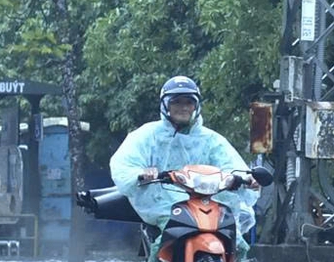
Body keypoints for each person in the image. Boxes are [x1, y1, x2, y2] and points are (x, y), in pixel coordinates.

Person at [108, 75, 261, 234]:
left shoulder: (212, 140)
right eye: (177, 102)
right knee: (163, 241)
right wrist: (141, 174)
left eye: (189, 102)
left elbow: (231, 165)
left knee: (238, 244)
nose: (183, 107)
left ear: (196, 106)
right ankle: (157, 259)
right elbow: (124, 164)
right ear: (166, 105)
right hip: (163, 206)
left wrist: (246, 179)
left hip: (209, 203)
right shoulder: (147, 135)